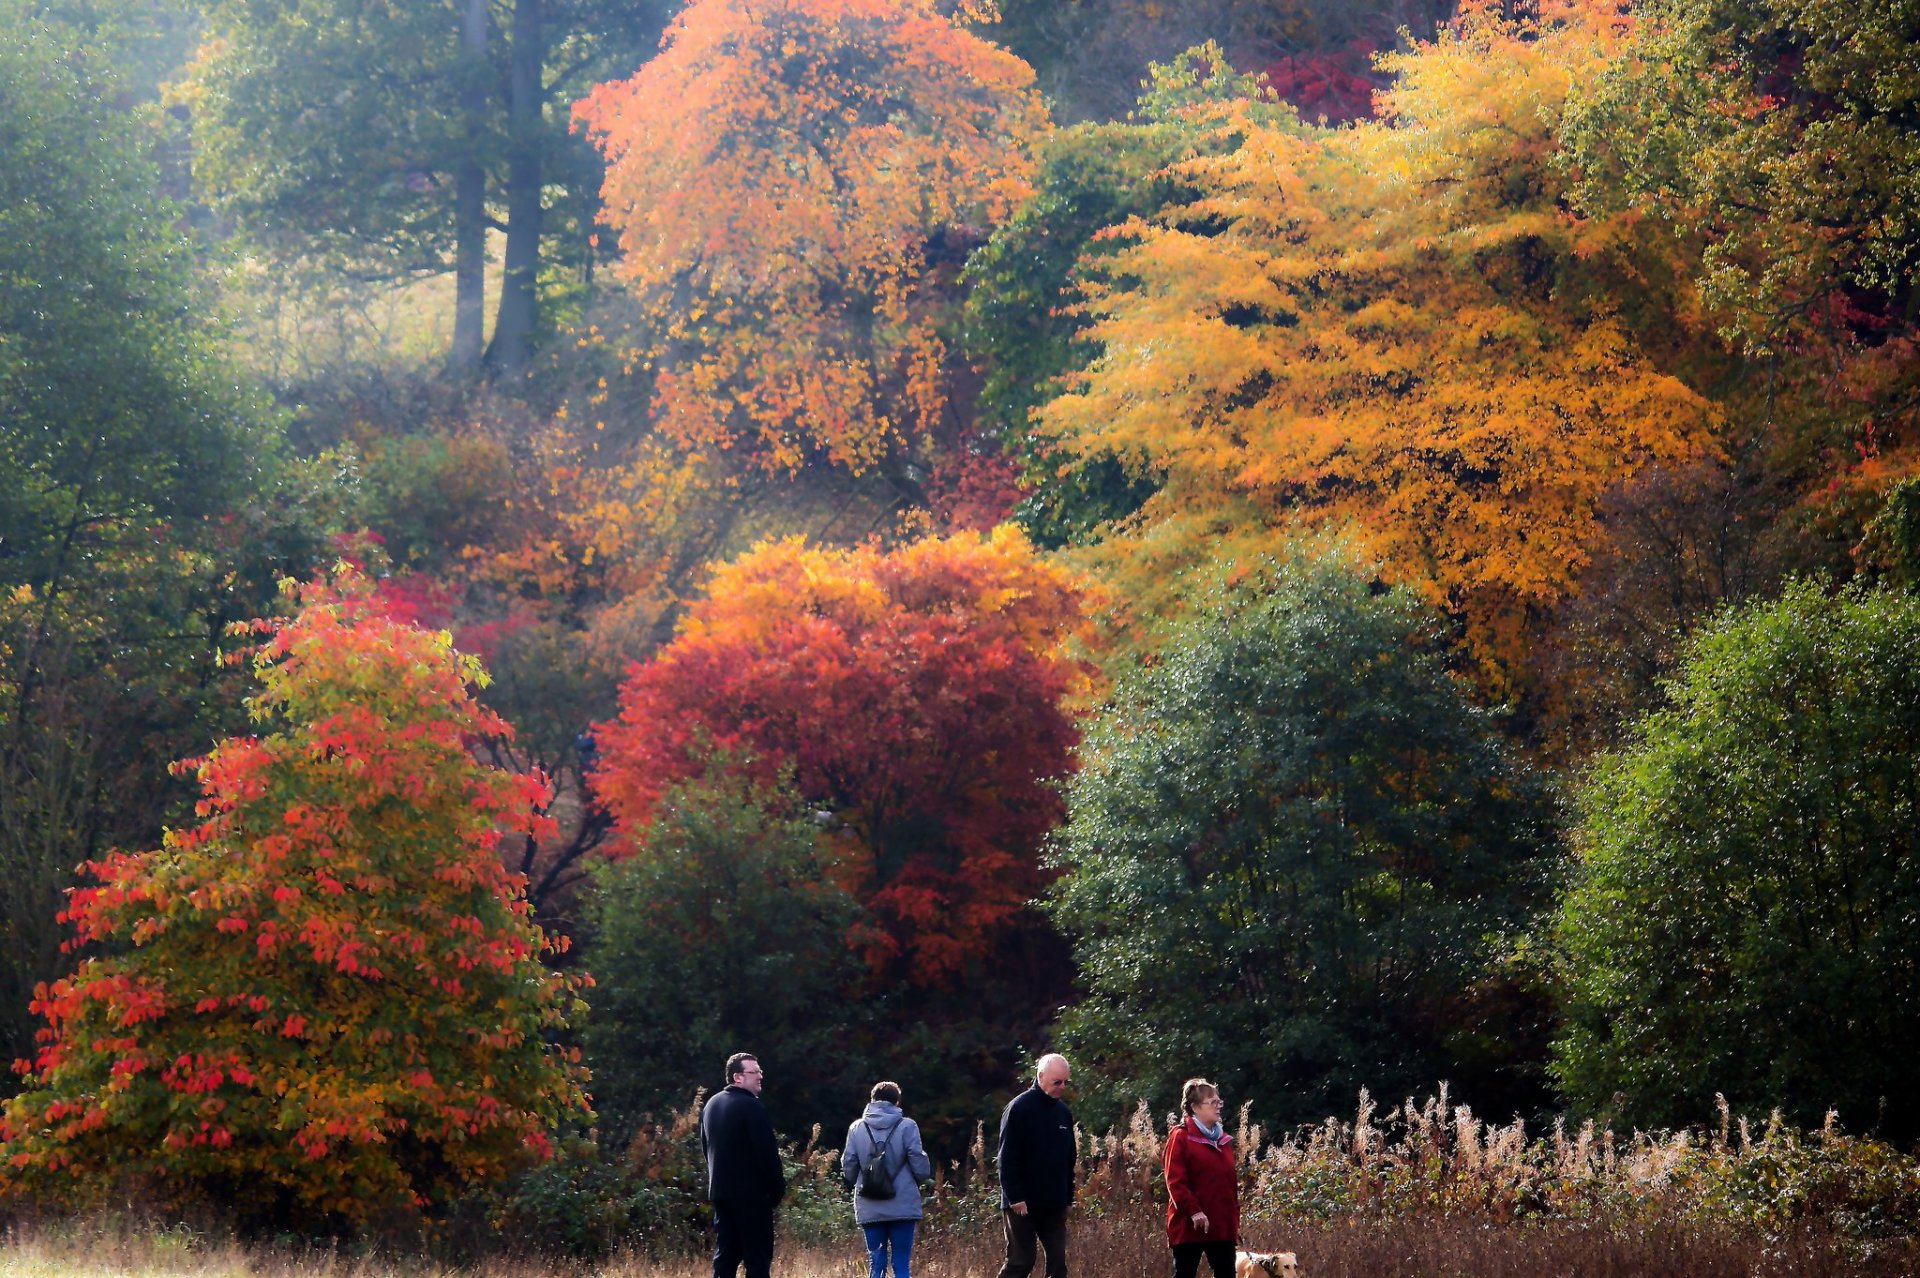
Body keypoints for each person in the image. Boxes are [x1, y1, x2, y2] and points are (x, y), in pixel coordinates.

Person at [701, 1052, 787, 1278]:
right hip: (751, 1198)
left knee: (725, 1258)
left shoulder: (711, 1104)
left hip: (721, 1194)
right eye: (754, 1072)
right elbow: (766, 1154)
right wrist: (777, 1190)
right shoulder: (751, 1107)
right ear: (737, 1077)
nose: (760, 1076)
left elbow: (705, 1148)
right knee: (757, 1260)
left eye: (760, 1071)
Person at [841, 1080, 934, 1278]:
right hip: (902, 1203)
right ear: (897, 1102)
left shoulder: (856, 1128)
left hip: (869, 1202)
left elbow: (848, 1164)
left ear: (872, 1100)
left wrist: (854, 1181)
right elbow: (919, 1162)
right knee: (901, 1264)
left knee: (876, 1264)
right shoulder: (907, 1126)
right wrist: (921, 1178)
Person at [995, 1052, 1076, 1278]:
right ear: (1040, 1077)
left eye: (1065, 1082)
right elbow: (1006, 1157)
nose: (1062, 1087)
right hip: (1023, 1201)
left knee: (1058, 1262)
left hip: (1055, 1201)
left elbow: (1070, 1158)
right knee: (1021, 1262)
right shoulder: (1019, 1108)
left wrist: (1068, 1196)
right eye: (1056, 1082)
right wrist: (1015, 1196)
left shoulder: (1063, 1113)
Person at [1162, 1078, 1239, 1278]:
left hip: (1221, 1224)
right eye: (1212, 1102)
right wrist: (1194, 1211)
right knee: (1184, 1274)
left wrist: (1232, 1221)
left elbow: (1229, 1185)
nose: (1218, 1106)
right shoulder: (1181, 1137)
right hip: (1189, 1225)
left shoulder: (1224, 1140)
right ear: (1195, 1107)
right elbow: (1175, 1182)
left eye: (1219, 1102)